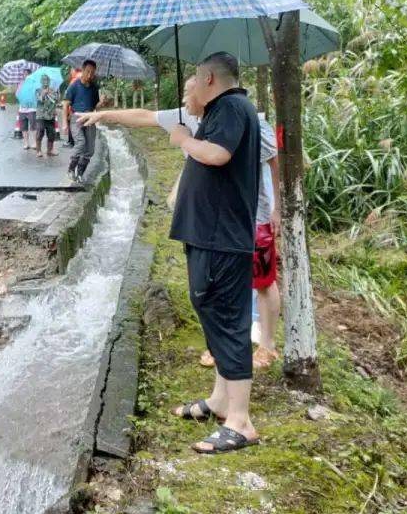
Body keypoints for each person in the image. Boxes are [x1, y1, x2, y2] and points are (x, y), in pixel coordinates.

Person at [79, 77, 282, 370]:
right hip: (212, 219)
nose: (184, 97)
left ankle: (267, 345)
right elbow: (144, 116)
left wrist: (277, 208)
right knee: (215, 285)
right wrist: (102, 115)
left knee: (261, 280)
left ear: (206, 90)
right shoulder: (187, 115)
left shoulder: (243, 118)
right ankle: (219, 344)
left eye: (189, 92)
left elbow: (270, 158)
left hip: (254, 215)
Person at [167, 52, 261, 453]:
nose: (190, 84)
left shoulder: (233, 107)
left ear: (208, 77)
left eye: (193, 78)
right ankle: (221, 399)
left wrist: (184, 139)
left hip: (221, 237)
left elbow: (217, 154)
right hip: (210, 235)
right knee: (211, 310)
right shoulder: (225, 109)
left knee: (226, 318)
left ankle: (240, 422)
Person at [64, 60, 100, 182]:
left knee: (90, 149)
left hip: (90, 118)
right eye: (88, 72)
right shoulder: (74, 85)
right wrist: (65, 123)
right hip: (76, 118)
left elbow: (95, 106)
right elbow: (66, 104)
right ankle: (70, 169)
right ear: (83, 70)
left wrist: (103, 103)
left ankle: (80, 173)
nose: (90, 75)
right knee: (80, 142)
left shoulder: (94, 87)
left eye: (92, 73)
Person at [34, 74, 60, 157]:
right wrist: (43, 94)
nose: (46, 82)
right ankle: (38, 151)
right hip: (41, 115)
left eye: (47, 80)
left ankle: (50, 150)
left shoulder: (53, 90)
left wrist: (54, 93)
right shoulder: (38, 90)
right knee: (40, 131)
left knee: (51, 133)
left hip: (50, 114)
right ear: (41, 81)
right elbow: (39, 100)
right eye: (44, 80)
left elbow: (57, 100)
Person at [16, 69, 36, 150]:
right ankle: (26, 143)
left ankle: (35, 143)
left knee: (34, 127)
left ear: (30, 75)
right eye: (24, 74)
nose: (25, 76)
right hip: (22, 109)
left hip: (32, 109)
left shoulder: (34, 83)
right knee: (24, 127)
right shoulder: (20, 84)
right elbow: (17, 94)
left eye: (27, 74)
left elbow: (36, 95)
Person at [64, 67, 82, 148]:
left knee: (72, 123)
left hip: (73, 106)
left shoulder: (75, 80)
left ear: (75, 70)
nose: (70, 72)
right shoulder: (81, 78)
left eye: (71, 70)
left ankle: (71, 142)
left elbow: (71, 95)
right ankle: (75, 142)